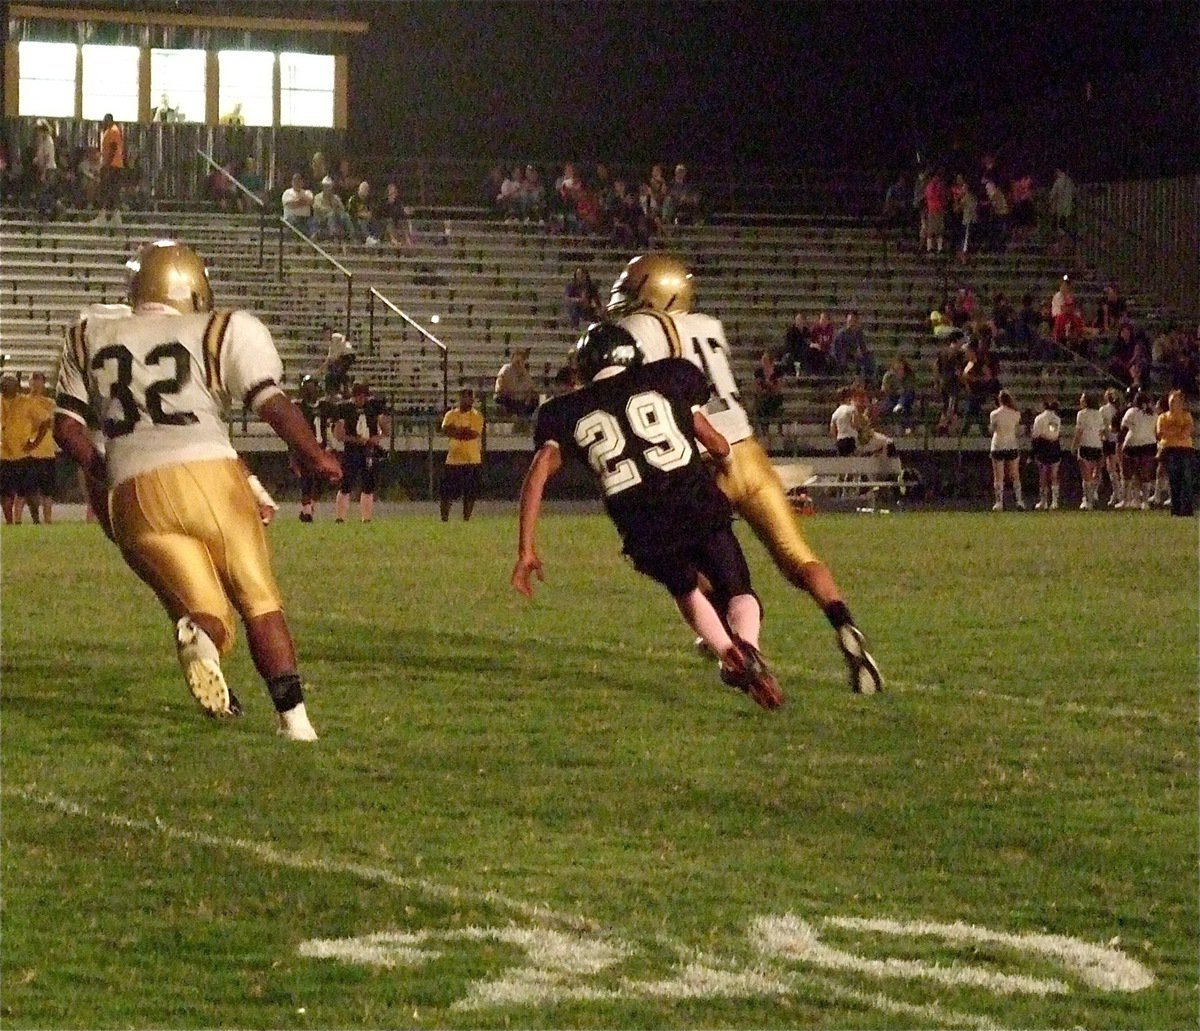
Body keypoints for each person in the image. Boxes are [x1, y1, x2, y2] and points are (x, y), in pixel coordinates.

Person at [52, 239, 340, 739]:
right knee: (258, 599)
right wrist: (313, 453)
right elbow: (268, 401)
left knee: (204, 611)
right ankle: (295, 723)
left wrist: (107, 468)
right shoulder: (218, 327)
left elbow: (66, 429)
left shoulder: (89, 332)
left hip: (130, 496)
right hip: (207, 478)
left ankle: (202, 640)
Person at [607, 253, 883, 694]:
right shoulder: (710, 326)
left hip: (697, 460)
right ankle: (843, 623)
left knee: (686, 564)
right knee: (798, 556)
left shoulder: (635, 331)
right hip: (748, 450)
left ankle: (733, 639)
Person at [512, 322, 783, 710]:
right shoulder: (670, 377)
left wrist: (526, 548)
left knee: (685, 589)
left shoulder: (564, 411)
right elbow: (716, 441)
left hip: (640, 520)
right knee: (739, 590)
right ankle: (748, 647)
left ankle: (726, 650)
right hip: (695, 501)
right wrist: (724, 459)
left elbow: (538, 471)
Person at [333, 381, 390, 523]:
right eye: (358, 396)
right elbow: (339, 434)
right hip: (352, 449)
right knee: (346, 483)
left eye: (363, 396)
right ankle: (340, 517)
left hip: (368, 449)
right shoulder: (344, 408)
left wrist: (376, 438)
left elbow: (385, 428)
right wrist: (354, 440)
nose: (361, 399)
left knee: (368, 484)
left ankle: (366, 518)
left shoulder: (373, 407)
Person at [440, 387, 484, 522]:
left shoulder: (477, 416)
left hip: (472, 460)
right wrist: (462, 431)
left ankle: (466, 519)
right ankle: (444, 519)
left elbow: (473, 434)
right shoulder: (451, 414)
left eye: (469, 397)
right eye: (464, 397)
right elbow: (446, 430)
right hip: (453, 460)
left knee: (469, 493)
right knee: (447, 493)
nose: (466, 400)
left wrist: (457, 431)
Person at [20, 371, 57, 524]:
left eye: (38, 380)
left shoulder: (50, 403)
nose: (35, 383)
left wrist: (44, 422)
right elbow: (31, 423)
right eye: (32, 380)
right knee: (28, 490)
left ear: (43, 383)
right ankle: (28, 519)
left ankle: (48, 520)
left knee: (47, 491)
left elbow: (52, 423)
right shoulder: (23, 402)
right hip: (29, 451)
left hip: (47, 451)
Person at [294, 374, 330, 522]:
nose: (310, 391)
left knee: (322, 479)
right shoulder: (298, 407)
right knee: (306, 479)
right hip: (305, 447)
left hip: (320, 447)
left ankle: (308, 508)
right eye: (308, 388)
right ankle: (307, 511)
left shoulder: (324, 407)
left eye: (312, 387)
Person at [1156, 389, 1195, 517]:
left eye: (1175, 401)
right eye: (1171, 401)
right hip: (1170, 449)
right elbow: (1161, 432)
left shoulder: (1186, 416)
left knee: (1186, 479)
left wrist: (1173, 432)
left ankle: (1187, 509)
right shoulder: (1163, 417)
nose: (1172, 404)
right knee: (1174, 479)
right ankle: (1176, 508)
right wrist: (1177, 431)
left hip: (1185, 449)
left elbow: (1186, 433)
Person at [1117, 391, 1158, 509]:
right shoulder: (1153, 414)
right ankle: (1144, 501)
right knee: (1145, 474)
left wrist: (1121, 444)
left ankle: (1126, 500)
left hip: (1132, 444)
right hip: (1149, 444)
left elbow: (1123, 428)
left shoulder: (1131, 412)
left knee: (1128, 474)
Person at [1, 372, 32, 524]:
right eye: (5, 384)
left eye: (10, 384)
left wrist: (34, 442)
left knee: (22, 491)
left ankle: (18, 519)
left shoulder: (25, 402)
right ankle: (9, 521)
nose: (7, 387)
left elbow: (44, 421)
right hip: (3, 455)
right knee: (5, 493)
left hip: (22, 454)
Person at [988, 389, 1024, 511]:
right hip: (1011, 444)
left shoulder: (994, 414)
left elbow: (992, 430)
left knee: (998, 476)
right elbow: (1018, 430)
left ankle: (999, 502)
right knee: (1015, 474)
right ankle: (1019, 500)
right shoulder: (1016, 414)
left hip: (998, 445)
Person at [1072, 391, 1105, 510]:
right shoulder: (1099, 414)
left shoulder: (1081, 414)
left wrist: (1074, 446)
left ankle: (1087, 500)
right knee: (1095, 473)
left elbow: (1079, 432)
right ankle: (1092, 494)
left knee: (1086, 475)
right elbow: (1101, 432)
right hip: (1096, 445)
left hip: (1086, 445)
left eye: (1082, 399)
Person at [1030, 398, 1063, 510]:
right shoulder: (1057, 419)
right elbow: (1054, 433)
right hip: (1054, 446)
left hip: (1042, 447)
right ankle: (1054, 501)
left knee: (1043, 476)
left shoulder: (1039, 418)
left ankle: (1043, 501)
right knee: (1054, 475)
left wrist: (1033, 452)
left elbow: (1035, 435)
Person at [92, 113, 124, 225]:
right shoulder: (111, 131)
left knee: (106, 190)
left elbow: (113, 148)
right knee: (112, 191)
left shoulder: (113, 131)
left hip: (112, 166)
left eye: (105, 120)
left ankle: (104, 216)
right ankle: (114, 216)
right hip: (114, 165)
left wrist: (106, 165)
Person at [493, 347, 539, 421]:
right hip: (507, 397)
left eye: (521, 360)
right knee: (503, 399)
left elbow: (531, 388)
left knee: (534, 401)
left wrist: (527, 400)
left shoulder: (525, 372)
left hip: (520, 400)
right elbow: (501, 385)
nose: (519, 362)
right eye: (517, 360)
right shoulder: (506, 369)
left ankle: (525, 420)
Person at [1098, 387, 1124, 505]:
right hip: (1119, 440)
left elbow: (1102, 427)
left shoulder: (1103, 410)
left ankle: (1118, 492)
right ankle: (1118, 492)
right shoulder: (1120, 409)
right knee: (1119, 468)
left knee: (1111, 468)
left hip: (1109, 440)